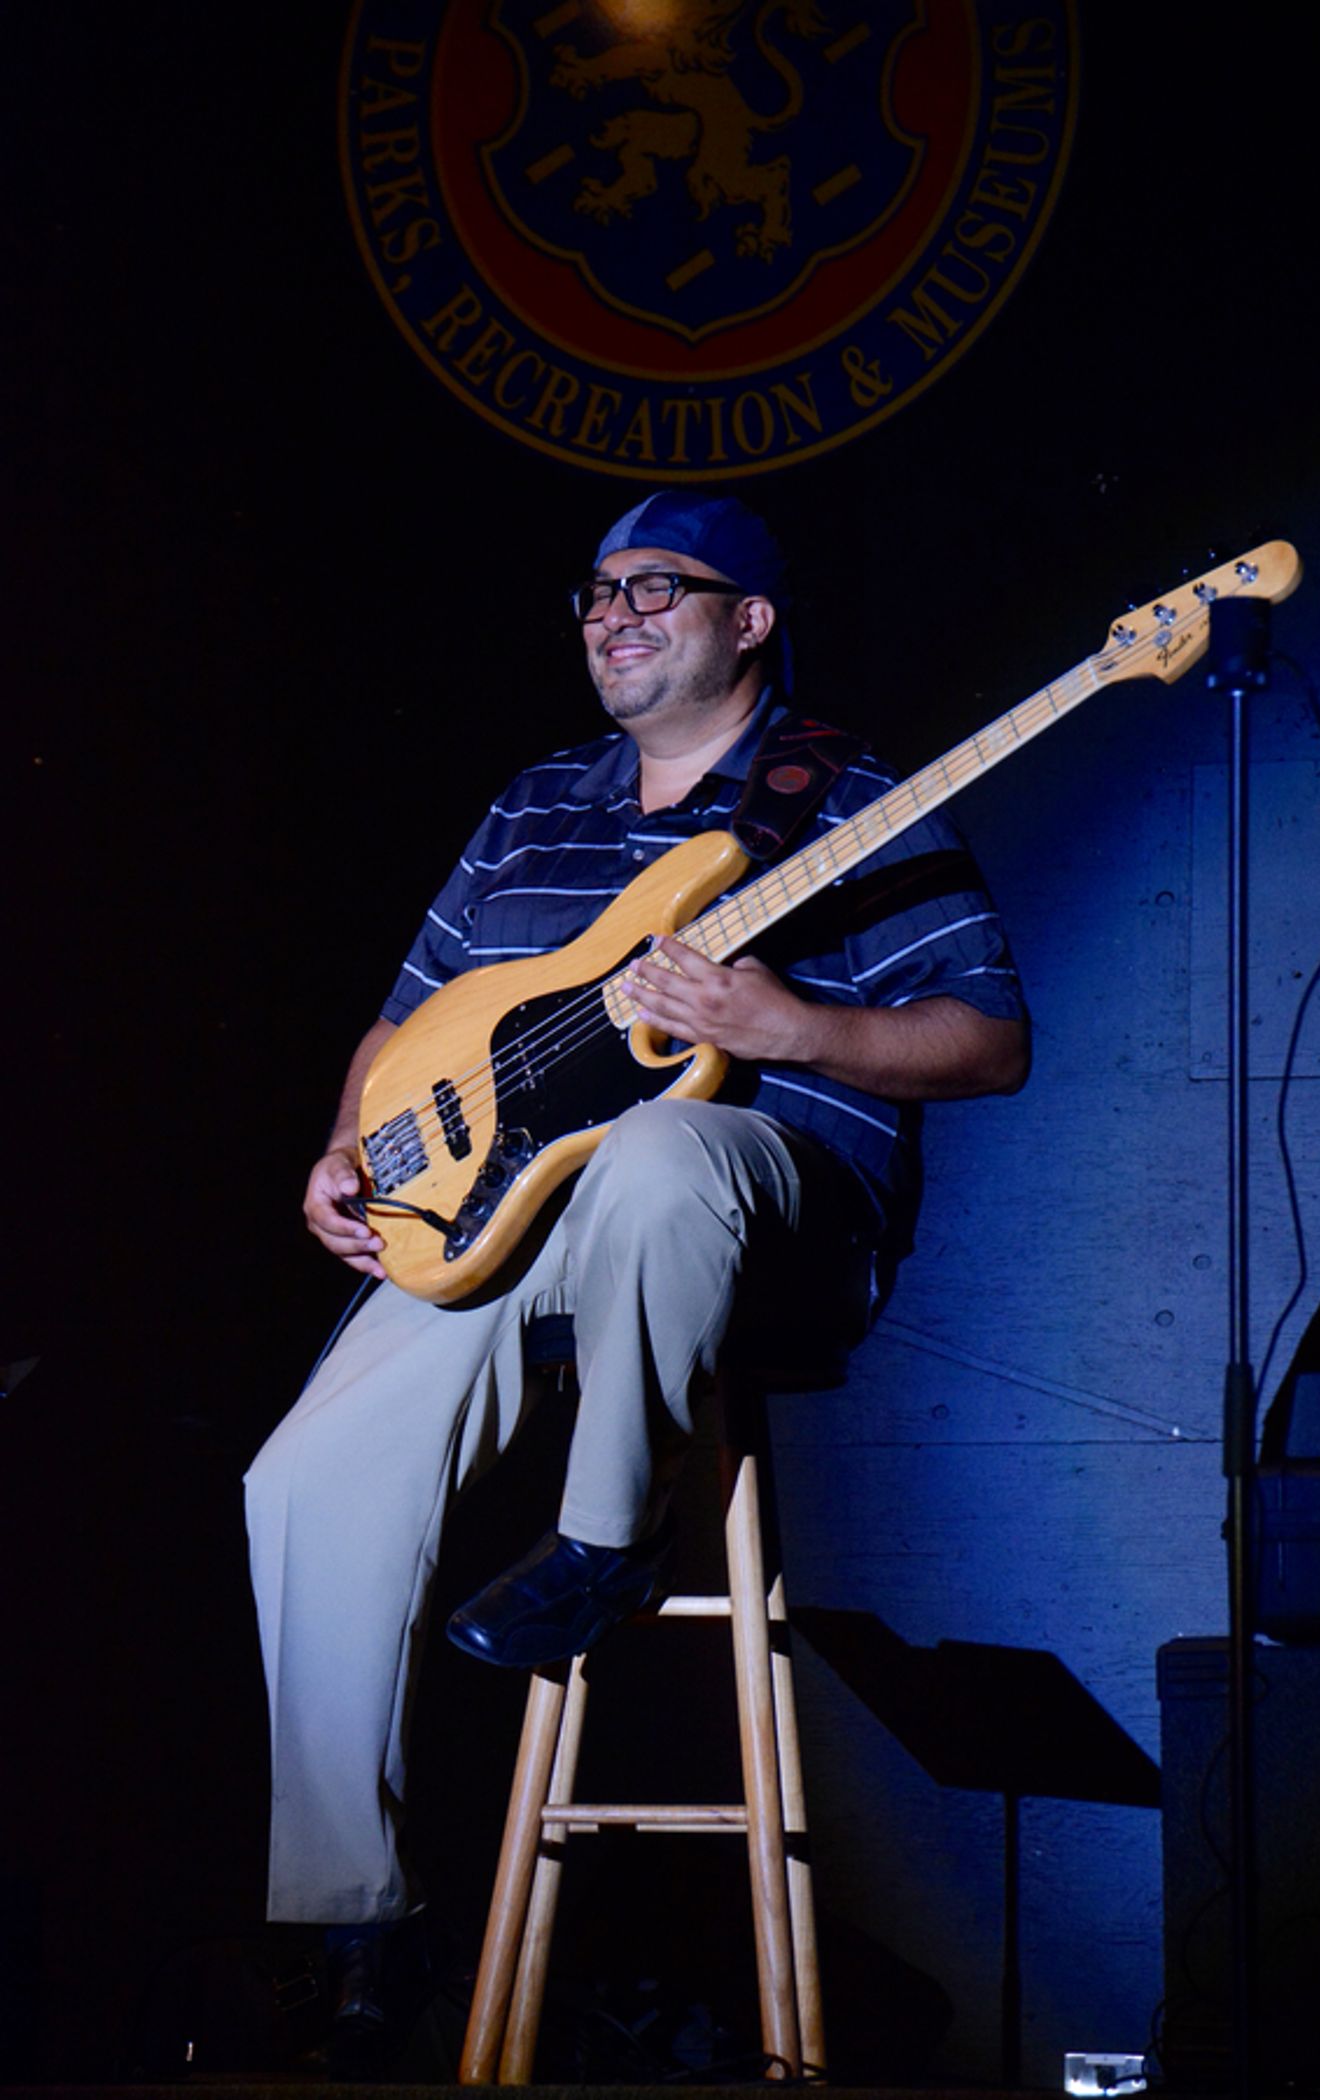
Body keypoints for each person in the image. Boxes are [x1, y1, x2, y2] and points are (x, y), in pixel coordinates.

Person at [244, 491, 1029, 1966]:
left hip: (755, 1213)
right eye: (597, 592)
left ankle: (606, 1536)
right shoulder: (535, 802)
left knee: (664, 1150)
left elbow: (989, 1042)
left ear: (753, 621)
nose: (613, 613)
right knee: (300, 1481)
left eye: (657, 589)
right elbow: (409, 1015)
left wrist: (786, 1022)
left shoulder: (849, 796)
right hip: (515, 1212)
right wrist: (352, 1144)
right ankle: (349, 1921)